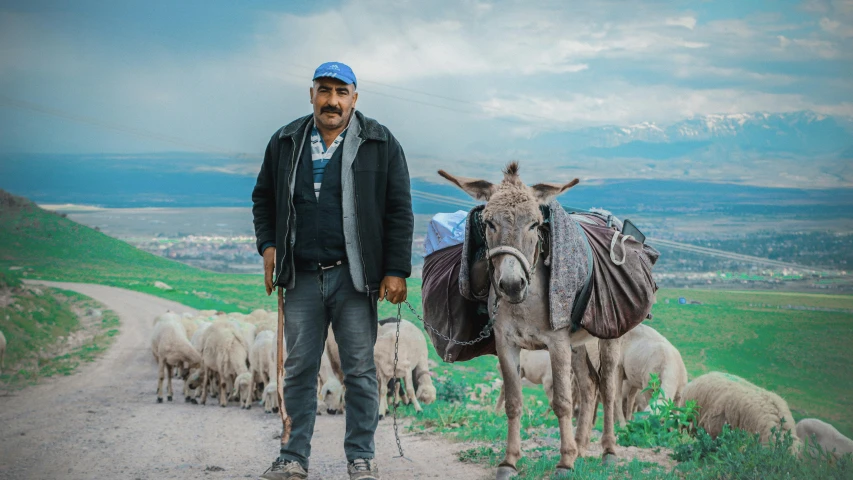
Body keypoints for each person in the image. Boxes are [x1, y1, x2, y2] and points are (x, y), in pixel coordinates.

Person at [252, 61, 414, 480]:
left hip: (355, 277)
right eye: (325, 91)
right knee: (300, 367)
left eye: (342, 92)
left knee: (359, 369)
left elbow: (399, 210)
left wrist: (396, 269)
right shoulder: (286, 140)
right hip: (301, 275)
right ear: (312, 95)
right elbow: (263, 199)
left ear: (355, 98)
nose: (332, 101)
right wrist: (268, 246)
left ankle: (361, 455)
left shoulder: (380, 142)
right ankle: (292, 456)